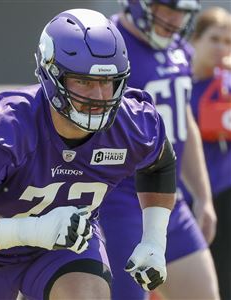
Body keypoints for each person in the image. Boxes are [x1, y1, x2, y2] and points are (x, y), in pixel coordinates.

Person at [0, 8, 177, 300]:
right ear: (52, 76)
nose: (98, 97)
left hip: (66, 248)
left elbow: (160, 164)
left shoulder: (132, 123)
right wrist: (32, 229)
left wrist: (153, 239)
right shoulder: (8, 126)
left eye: (107, 81)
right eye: (84, 81)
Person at [99, 1, 220, 299]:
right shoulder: (105, 43)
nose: (175, 18)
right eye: (166, 7)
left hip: (169, 198)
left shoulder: (178, 48)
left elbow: (183, 121)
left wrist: (203, 196)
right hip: (118, 202)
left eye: (181, 11)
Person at [182, 7, 231, 299]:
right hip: (181, 197)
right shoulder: (176, 81)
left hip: (224, 196)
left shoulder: (226, 84)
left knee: (223, 279)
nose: (221, 48)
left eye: (228, 42)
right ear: (195, 39)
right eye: (215, 39)